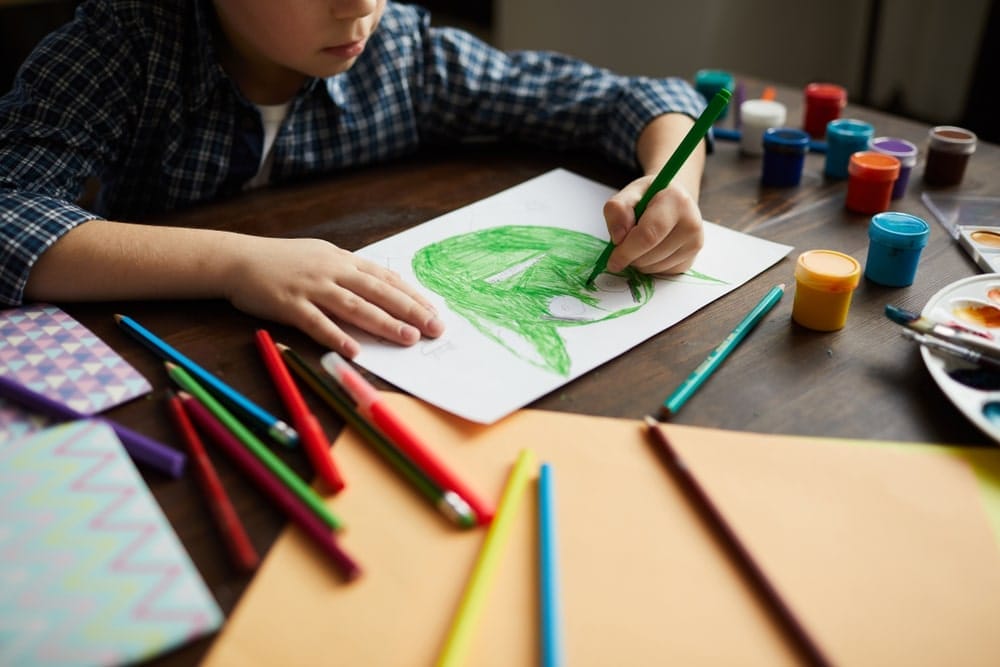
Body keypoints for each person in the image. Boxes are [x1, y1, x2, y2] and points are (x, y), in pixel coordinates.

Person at [0, 0, 708, 358]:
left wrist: (669, 180)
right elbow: (11, 212)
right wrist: (236, 262)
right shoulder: (121, 47)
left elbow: (626, 97)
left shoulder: (400, 50)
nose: (360, 5)